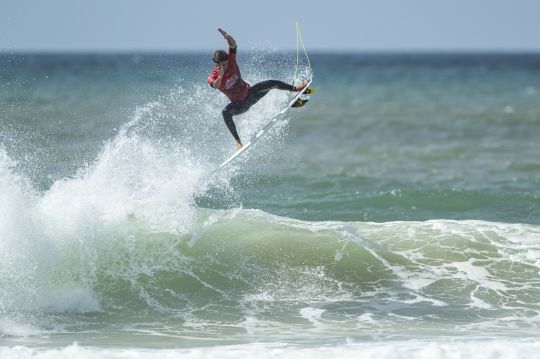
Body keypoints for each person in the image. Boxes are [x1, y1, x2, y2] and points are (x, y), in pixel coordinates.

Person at [208, 28, 308, 150]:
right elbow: (215, 86)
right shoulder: (213, 75)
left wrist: (227, 36)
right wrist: (221, 75)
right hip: (239, 105)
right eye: (222, 65)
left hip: (250, 94)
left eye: (226, 63)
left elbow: (233, 45)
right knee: (225, 112)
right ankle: (238, 142)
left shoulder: (231, 60)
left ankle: (295, 89)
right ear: (217, 64)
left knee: (271, 83)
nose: (225, 66)